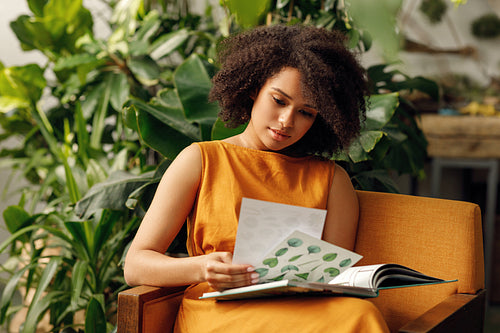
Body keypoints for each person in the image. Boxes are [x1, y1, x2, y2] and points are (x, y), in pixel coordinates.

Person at [124, 24, 389, 332]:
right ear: (253, 88)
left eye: (307, 112)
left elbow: (332, 280)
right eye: (279, 100)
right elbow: (135, 265)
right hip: (218, 311)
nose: (286, 121)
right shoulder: (200, 160)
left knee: (360, 315)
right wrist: (203, 269)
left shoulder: (332, 180)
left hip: (302, 312)